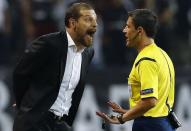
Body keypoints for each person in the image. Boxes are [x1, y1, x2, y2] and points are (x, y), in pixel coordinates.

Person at [13, 2, 97, 131]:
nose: (94, 25)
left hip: (61, 124)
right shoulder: (49, 44)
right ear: (72, 23)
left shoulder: (88, 53)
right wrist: (24, 104)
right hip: (35, 123)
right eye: (88, 20)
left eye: (95, 20)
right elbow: (21, 73)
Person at [96, 9, 176, 131]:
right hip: (163, 122)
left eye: (128, 26)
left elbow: (150, 102)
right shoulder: (161, 54)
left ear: (140, 31)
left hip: (150, 126)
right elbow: (156, 106)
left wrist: (122, 118)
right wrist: (128, 112)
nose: (124, 30)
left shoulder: (146, 60)